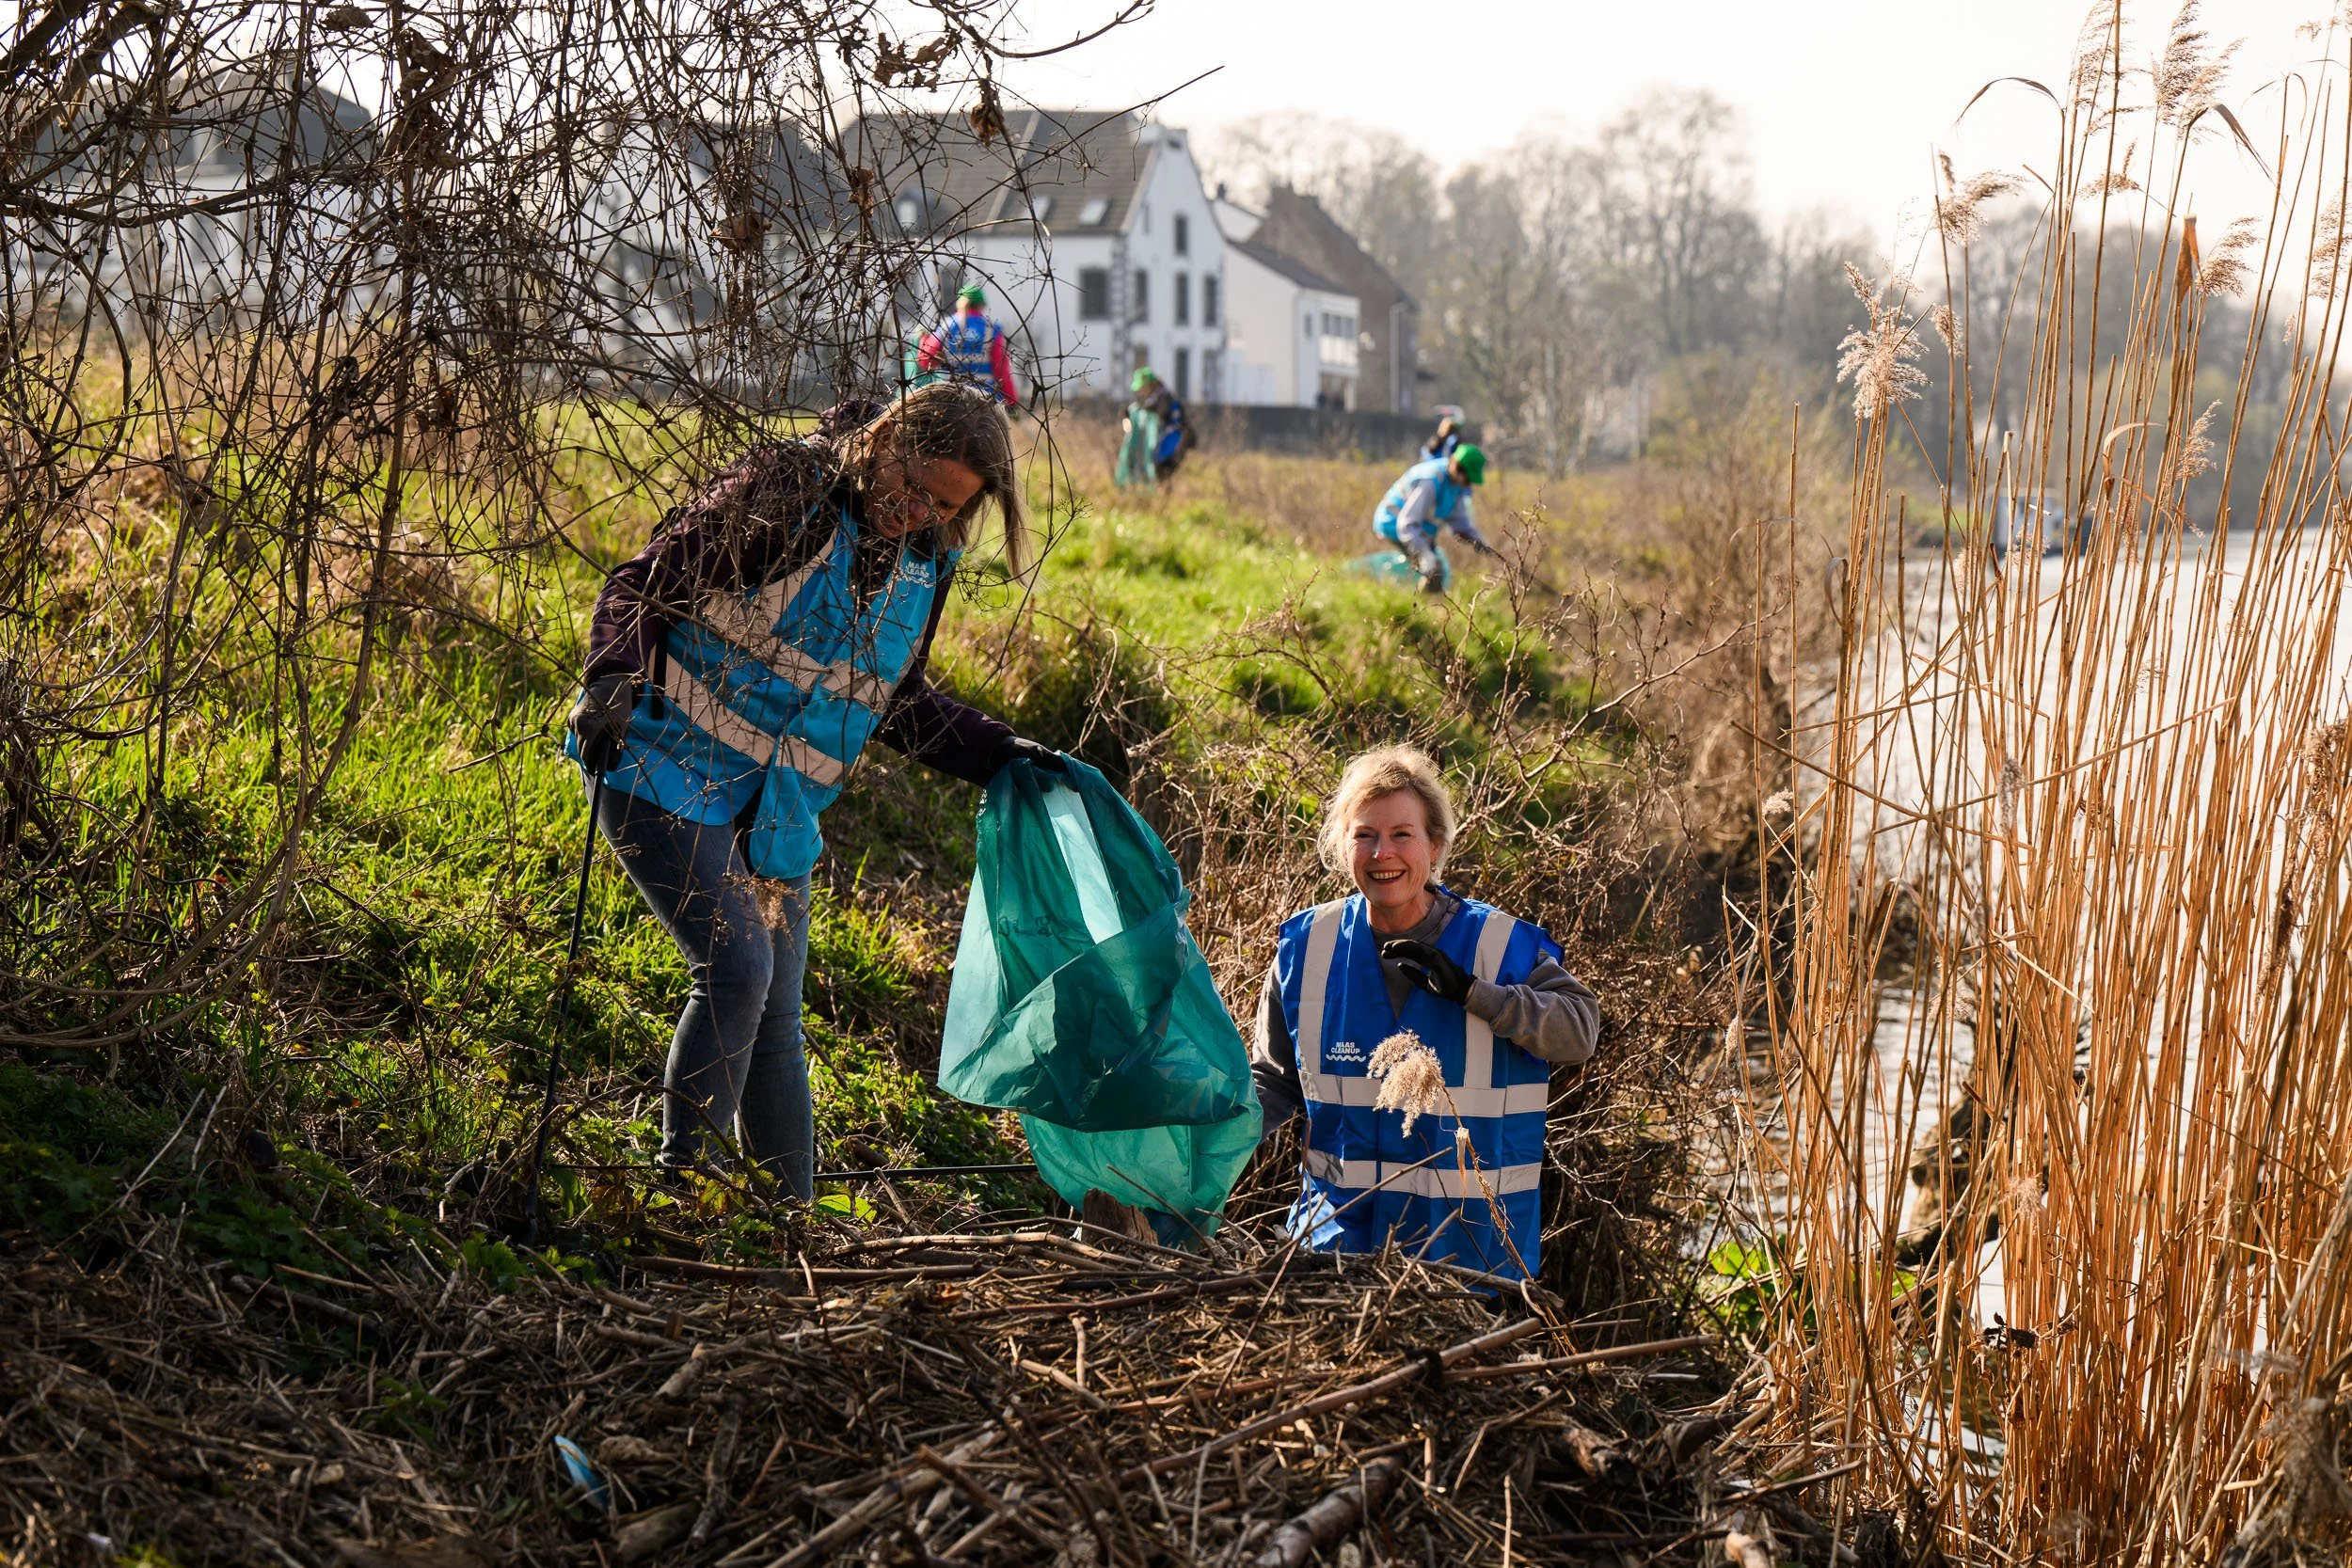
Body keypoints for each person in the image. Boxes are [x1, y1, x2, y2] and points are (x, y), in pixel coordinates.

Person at [565, 383, 1062, 1196]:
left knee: (777, 1019)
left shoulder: (923, 566)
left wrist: (1007, 753)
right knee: (738, 969)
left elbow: (896, 701)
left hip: (774, 811)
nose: (917, 510)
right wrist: (611, 679)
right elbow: (644, 583)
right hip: (660, 762)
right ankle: (680, 1191)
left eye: (944, 505)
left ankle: (787, 1220)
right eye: (912, 483)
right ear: (885, 436)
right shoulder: (786, 491)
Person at [1250, 747, 1598, 1281]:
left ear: (1435, 846)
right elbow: (1269, 1084)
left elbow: (1580, 1033)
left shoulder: (1498, 946)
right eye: (1364, 834)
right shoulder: (1307, 950)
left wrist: (1475, 993)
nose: (1381, 852)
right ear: (1342, 847)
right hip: (1335, 1258)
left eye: (1401, 835)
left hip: (1471, 1263)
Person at [1373, 443, 1488, 594]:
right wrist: (1424, 554)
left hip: (1417, 530)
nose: (1466, 483)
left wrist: (1477, 539)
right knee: (1434, 570)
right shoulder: (1431, 480)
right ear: (1457, 467)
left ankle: (1421, 604)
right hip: (1393, 524)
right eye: (1466, 478)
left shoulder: (1456, 485)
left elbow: (1459, 521)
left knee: (1436, 572)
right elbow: (1407, 524)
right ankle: (1413, 606)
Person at [914, 284, 1020, 406]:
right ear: (982, 305)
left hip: (950, 399)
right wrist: (1011, 402)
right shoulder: (992, 330)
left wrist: (923, 338)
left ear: (959, 303)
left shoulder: (946, 326)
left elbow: (926, 361)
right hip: (984, 399)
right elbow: (1001, 370)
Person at [1116, 366, 1187, 488]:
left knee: (1161, 471)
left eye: (1142, 388)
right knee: (1158, 472)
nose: (1140, 392)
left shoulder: (1164, 398)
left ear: (1150, 385)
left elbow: (1158, 415)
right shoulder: (1152, 399)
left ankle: (1162, 498)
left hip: (1173, 442)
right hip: (1163, 443)